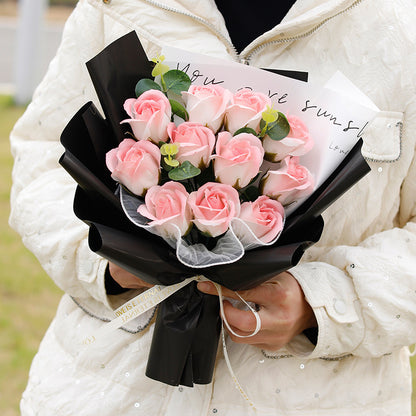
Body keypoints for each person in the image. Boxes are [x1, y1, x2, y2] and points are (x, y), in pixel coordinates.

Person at [9, 0, 416, 415]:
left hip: (320, 397)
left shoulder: (401, 28)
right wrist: (108, 260)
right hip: (100, 392)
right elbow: (43, 154)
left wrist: (323, 303)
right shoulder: (115, 7)